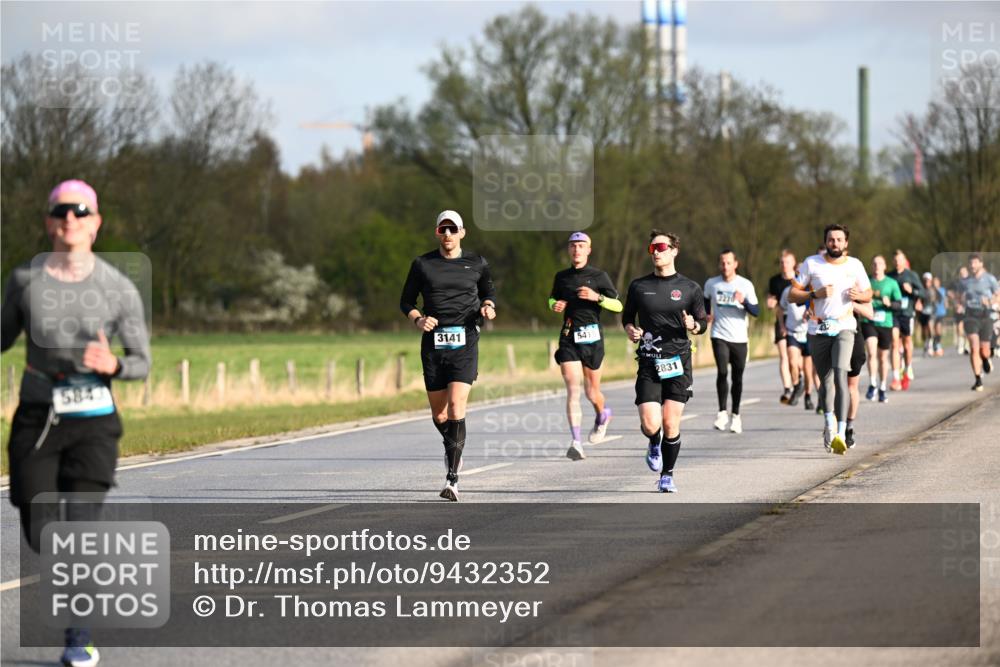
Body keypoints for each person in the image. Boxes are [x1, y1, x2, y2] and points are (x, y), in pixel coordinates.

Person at [2, 179, 151, 667]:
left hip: (94, 424)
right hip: (37, 420)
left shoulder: (117, 286)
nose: (71, 218)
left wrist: (114, 367)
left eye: (81, 211)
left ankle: (78, 636)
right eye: (62, 211)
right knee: (40, 528)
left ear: (96, 223)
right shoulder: (24, 279)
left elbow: (141, 362)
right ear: (48, 221)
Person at [399, 210, 497, 501]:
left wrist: (488, 306)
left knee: (456, 407)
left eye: (453, 229)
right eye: (443, 229)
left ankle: (452, 479)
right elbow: (406, 300)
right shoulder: (422, 264)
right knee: (440, 414)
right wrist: (418, 319)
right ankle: (453, 447)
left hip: (465, 339)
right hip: (433, 343)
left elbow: (488, 290)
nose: (448, 234)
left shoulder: (476, 262)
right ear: (437, 232)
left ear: (462, 233)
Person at [622, 230, 707, 493]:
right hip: (649, 361)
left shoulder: (690, 288)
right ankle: (653, 441)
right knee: (651, 424)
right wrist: (630, 330)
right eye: (652, 249)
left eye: (660, 247)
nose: (656, 252)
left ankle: (667, 475)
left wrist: (694, 325)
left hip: (678, 361)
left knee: (671, 421)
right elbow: (627, 318)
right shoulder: (639, 286)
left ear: (674, 250)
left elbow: (702, 323)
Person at [788, 225, 871, 454]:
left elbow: (868, 293)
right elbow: (792, 295)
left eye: (839, 240)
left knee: (841, 374)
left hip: (845, 327)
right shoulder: (811, 263)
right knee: (825, 381)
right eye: (831, 240)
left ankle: (842, 433)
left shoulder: (855, 265)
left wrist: (858, 296)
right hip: (818, 329)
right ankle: (829, 424)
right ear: (825, 242)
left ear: (846, 243)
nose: (835, 243)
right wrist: (815, 294)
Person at [548, 232, 622, 461]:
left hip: (592, 338)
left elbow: (618, 305)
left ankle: (603, 414)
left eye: (581, 246)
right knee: (573, 389)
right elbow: (551, 299)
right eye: (573, 246)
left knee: (592, 392)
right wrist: (554, 305)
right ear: (569, 250)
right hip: (569, 336)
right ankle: (576, 441)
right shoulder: (561, 277)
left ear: (589, 250)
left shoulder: (599, 276)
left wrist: (596, 297)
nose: (576, 250)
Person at [704, 249, 760, 434]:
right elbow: (705, 302)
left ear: (735, 264)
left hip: (739, 338)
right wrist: (706, 314)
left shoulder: (745, 285)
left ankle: (736, 415)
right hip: (719, 334)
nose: (725, 266)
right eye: (722, 262)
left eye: (728, 263)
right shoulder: (712, 284)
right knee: (721, 371)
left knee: (737, 377)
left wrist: (743, 301)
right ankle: (722, 413)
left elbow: (756, 312)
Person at [955, 252, 1000, 391]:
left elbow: (998, 296)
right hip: (970, 316)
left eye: (975, 262)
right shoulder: (964, 282)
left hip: (985, 316)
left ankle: (986, 359)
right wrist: (958, 305)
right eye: (970, 263)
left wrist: (990, 301)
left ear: (981, 264)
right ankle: (978, 379)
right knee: (974, 347)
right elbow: (958, 297)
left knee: (984, 350)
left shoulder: (989, 279)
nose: (972, 265)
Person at [861, 255, 901, 403]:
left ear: (885, 266)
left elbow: (899, 304)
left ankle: (883, 386)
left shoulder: (891, 283)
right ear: (871, 267)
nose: (877, 266)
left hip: (885, 323)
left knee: (883, 357)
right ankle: (872, 384)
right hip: (869, 321)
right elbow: (858, 298)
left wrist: (889, 303)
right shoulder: (866, 282)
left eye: (880, 263)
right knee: (871, 352)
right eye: (874, 264)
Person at [887, 250, 923, 390]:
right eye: (895, 260)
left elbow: (923, 292)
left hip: (907, 313)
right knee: (895, 343)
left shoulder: (911, 275)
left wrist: (912, 291)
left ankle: (908, 367)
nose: (897, 262)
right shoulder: (889, 276)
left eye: (899, 260)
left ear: (904, 261)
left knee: (907, 342)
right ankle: (896, 376)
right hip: (893, 313)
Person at [777, 282, 814, 409]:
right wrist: (782, 326)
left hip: (808, 333)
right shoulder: (788, 291)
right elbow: (780, 309)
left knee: (808, 369)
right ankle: (797, 385)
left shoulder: (813, 292)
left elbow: (821, 311)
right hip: (792, 332)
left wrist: (810, 315)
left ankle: (808, 396)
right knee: (792, 362)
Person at [767, 250, 797, 403]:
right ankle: (787, 388)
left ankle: (798, 382)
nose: (784, 265)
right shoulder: (774, 281)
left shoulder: (799, 280)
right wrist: (770, 304)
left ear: (794, 263)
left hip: (798, 321)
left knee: (795, 360)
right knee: (784, 355)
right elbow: (771, 301)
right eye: (782, 262)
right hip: (781, 319)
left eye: (787, 262)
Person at [931, 275, 947, 356]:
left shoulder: (942, 290)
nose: (935, 283)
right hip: (933, 313)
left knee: (938, 328)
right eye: (933, 282)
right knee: (932, 330)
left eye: (936, 282)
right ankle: (934, 344)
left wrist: (946, 306)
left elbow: (945, 300)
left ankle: (938, 344)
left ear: (939, 283)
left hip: (941, 312)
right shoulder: (931, 291)